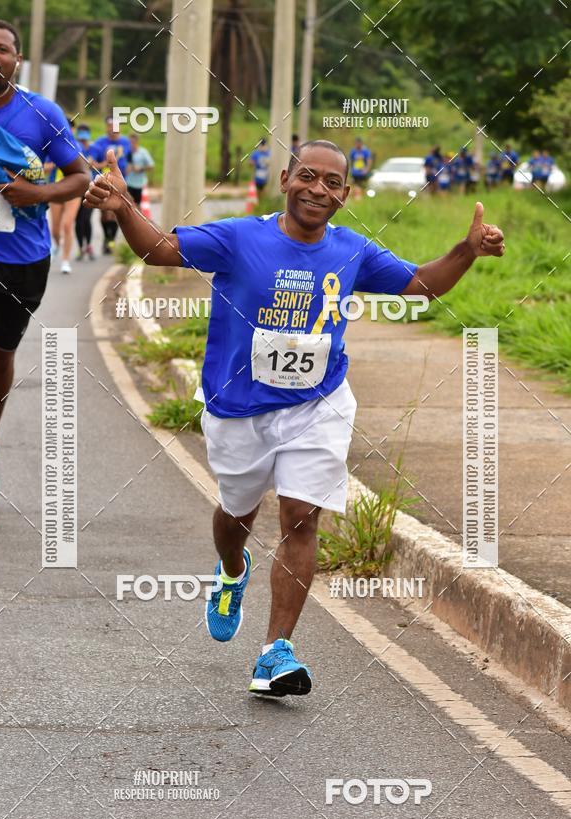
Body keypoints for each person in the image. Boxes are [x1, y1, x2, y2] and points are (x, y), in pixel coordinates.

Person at [84, 139, 505, 697]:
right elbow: (161, 249)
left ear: (346, 195)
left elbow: (420, 284)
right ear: (285, 179)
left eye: (332, 183)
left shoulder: (351, 251)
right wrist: (123, 208)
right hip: (238, 410)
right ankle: (232, 570)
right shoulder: (239, 238)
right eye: (308, 176)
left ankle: (274, 652)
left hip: (318, 404)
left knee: (301, 516)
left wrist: (467, 250)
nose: (318, 190)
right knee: (236, 515)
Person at [0, 19, 89, 522]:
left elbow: (81, 176)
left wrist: (37, 194)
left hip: (23, 258)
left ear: (17, 61)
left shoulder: (42, 113)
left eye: (2, 49)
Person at [89, 115, 131, 253]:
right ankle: (107, 237)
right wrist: (103, 164)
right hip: (105, 181)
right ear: (107, 127)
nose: (114, 129)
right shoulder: (100, 143)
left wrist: (129, 169)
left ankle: (111, 239)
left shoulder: (125, 142)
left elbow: (130, 159)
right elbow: (92, 162)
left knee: (115, 212)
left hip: (122, 182)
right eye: (111, 126)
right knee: (105, 212)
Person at [46, 119, 82, 274]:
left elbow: (84, 169)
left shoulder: (77, 147)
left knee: (67, 225)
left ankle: (66, 261)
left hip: (73, 191)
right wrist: (54, 163)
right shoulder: (52, 146)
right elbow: (44, 167)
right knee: (55, 229)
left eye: (71, 128)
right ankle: (56, 244)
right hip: (56, 189)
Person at [74, 124, 95, 260]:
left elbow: (97, 164)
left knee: (86, 219)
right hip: (76, 189)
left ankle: (89, 245)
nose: (83, 142)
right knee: (77, 220)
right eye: (81, 139)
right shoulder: (74, 148)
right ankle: (80, 247)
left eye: (84, 140)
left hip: (90, 188)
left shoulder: (94, 148)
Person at [125, 133, 154, 207]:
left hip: (139, 184)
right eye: (130, 142)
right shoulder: (127, 153)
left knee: (137, 206)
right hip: (128, 183)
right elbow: (125, 169)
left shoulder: (143, 152)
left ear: (137, 141)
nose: (132, 144)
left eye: (133, 142)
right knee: (128, 206)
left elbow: (151, 166)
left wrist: (140, 169)